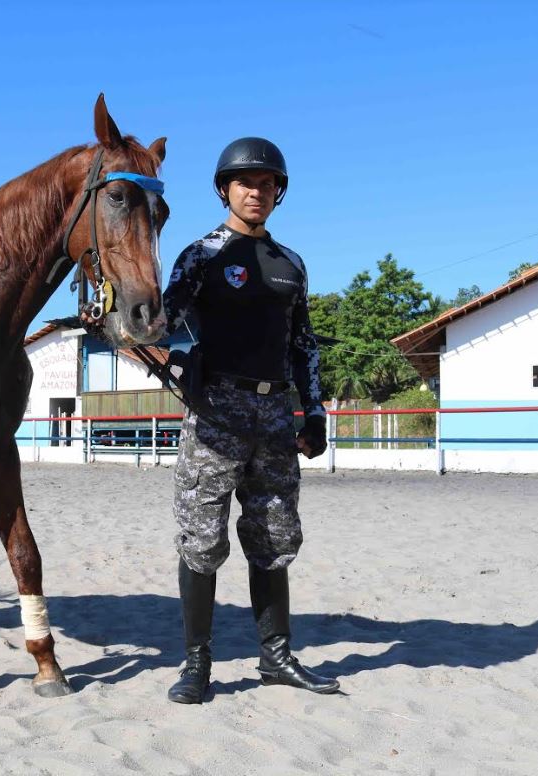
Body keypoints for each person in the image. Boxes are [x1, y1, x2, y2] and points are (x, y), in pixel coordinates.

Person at [162, 137, 337, 704]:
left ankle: (276, 657)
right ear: (224, 190)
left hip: (273, 415)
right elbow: (166, 328)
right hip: (215, 412)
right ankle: (197, 666)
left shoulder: (291, 264)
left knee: (273, 535)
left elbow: (303, 344)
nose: (256, 191)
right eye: (245, 183)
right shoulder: (201, 256)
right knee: (202, 538)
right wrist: (180, 372)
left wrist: (312, 411)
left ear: (278, 192)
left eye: (266, 184)